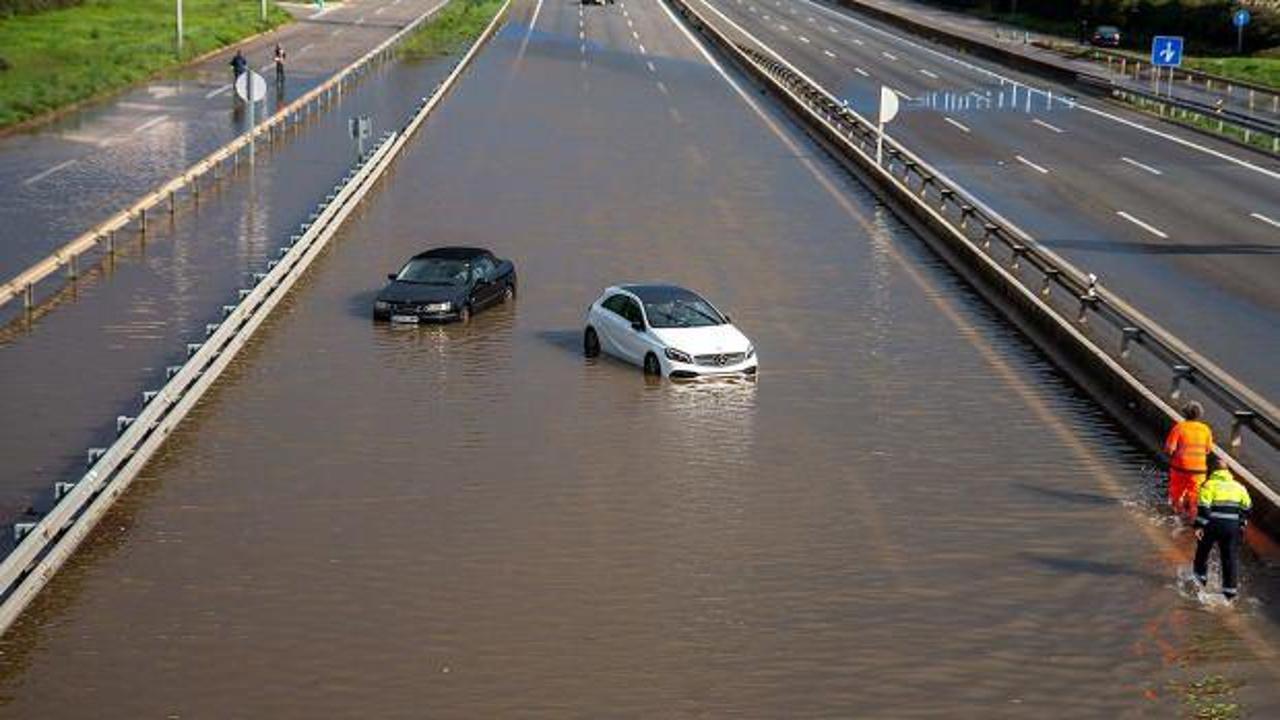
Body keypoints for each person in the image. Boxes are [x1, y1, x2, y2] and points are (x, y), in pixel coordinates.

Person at [1193, 454, 1251, 601]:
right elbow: (1247, 507)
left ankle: (1199, 581)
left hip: (1212, 525)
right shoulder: (1239, 487)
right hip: (1232, 527)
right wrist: (1242, 523)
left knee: (1203, 552)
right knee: (1229, 558)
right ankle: (1229, 592)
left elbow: (1204, 508)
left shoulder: (1208, 485)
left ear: (1211, 471)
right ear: (1228, 472)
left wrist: (1199, 526)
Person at [1165, 401, 1213, 518]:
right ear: (1200, 415)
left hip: (1180, 467)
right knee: (1195, 497)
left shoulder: (1179, 427)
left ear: (1185, 413)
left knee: (1176, 492)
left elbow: (1169, 449)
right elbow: (1208, 450)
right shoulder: (1206, 429)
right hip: (1199, 470)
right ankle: (1192, 520)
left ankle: (1177, 515)